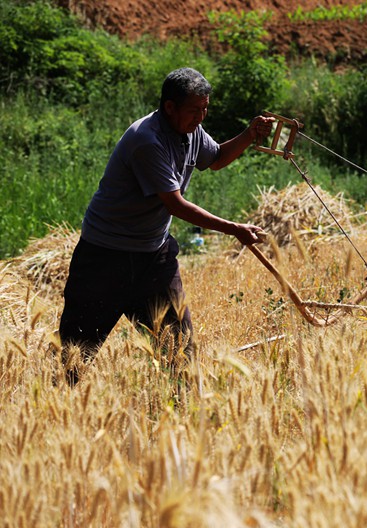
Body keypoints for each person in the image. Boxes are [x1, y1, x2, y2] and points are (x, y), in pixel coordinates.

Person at [58, 67, 273, 385]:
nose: (201, 117)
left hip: (152, 257)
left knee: (181, 354)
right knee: (74, 359)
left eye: (205, 109)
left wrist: (249, 135)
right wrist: (234, 229)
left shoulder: (190, 130)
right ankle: (58, 419)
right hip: (105, 257)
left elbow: (214, 159)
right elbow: (175, 204)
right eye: (194, 110)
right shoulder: (147, 140)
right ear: (169, 107)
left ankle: (181, 425)